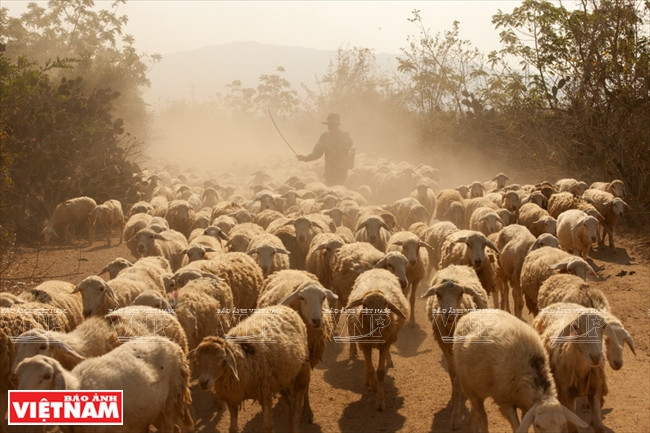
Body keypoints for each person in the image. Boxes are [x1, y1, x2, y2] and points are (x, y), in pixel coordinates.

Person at [297, 113, 355, 186]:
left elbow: (351, 152)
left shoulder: (345, 138)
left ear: (337, 125)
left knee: (339, 192)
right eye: (329, 125)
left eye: (332, 125)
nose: (329, 127)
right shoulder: (325, 137)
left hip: (341, 173)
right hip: (329, 173)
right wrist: (305, 158)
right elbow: (317, 153)